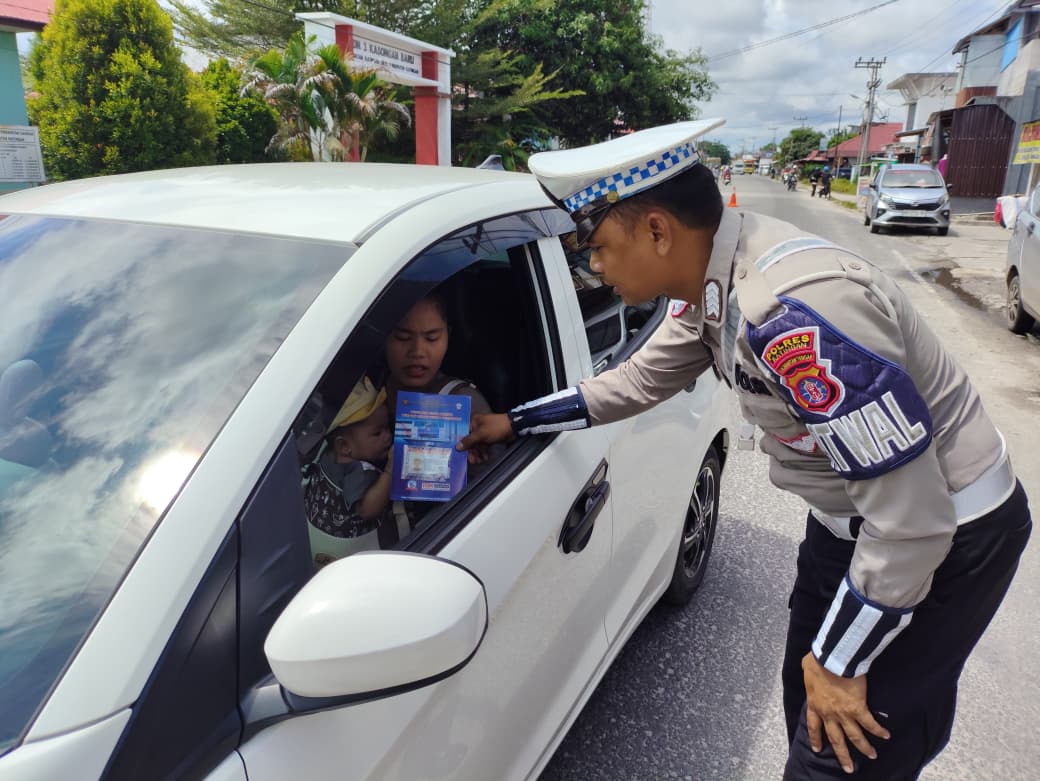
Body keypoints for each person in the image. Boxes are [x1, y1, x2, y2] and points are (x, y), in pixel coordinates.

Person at [458, 119, 1031, 780]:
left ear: (655, 231)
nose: (593, 266)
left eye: (598, 245)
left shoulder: (794, 309)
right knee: (804, 701)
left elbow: (914, 518)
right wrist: (515, 421)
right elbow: (639, 378)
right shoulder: (713, 281)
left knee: (838, 752)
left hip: (940, 538)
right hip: (855, 523)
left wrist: (843, 664)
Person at [381, 291, 500, 537]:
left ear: (448, 336)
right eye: (403, 337)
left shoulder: (465, 407)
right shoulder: (368, 391)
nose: (418, 351)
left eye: (432, 338)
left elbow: (495, 498)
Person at [303, 375, 393, 566]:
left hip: (315, 544)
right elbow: (367, 510)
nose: (388, 436)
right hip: (353, 555)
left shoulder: (325, 453)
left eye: (387, 427)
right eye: (378, 433)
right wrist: (390, 470)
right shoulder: (360, 471)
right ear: (344, 446)